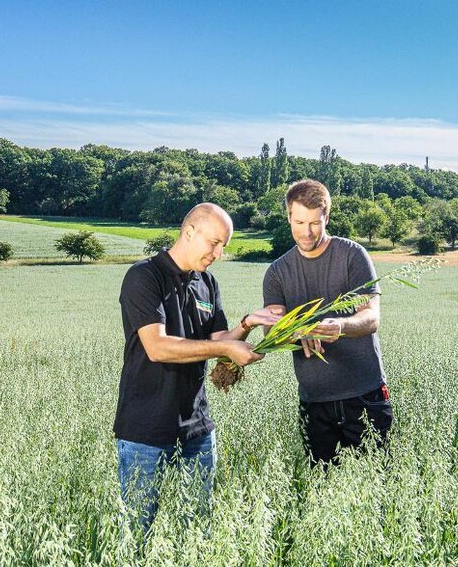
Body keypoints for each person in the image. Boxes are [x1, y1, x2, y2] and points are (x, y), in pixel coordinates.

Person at [114, 202, 279, 536]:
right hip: (145, 430)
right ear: (189, 232)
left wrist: (248, 323)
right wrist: (224, 347)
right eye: (214, 243)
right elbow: (158, 347)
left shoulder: (208, 283)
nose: (218, 253)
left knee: (199, 528)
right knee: (137, 532)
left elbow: (220, 339)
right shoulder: (144, 277)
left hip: (197, 429)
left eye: (224, 246)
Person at [263, 179, 392, 465]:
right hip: (314, 402)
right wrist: (297, 332)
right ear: (288, 217)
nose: (307, 232)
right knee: (321, 491)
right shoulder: (277, 273)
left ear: (327, 218)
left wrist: (341, 327)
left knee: (376, 488)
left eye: (315, 223)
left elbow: (371, 317)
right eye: (299, 222)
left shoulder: (352, 255)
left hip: (365, 397)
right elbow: (271, 332)